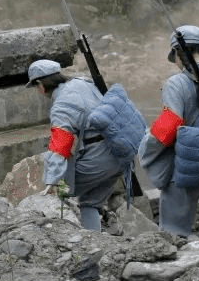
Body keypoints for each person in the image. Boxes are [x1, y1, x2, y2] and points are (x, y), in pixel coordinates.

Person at [137, 26, 199, 270]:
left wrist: (145, 151)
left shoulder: (176, 83)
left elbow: (168, 127)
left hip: (187, 169)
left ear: (181, 53)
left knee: (174, 234)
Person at [25, 59, 126, 231]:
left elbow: (60, 145)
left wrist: (52, 181)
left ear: (41, 84)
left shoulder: (62, 104)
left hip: (102, 158)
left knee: (64, 192)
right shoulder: (83, 83)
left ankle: (72, 240)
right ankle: (95, 242)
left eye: (36, 87)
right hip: (122, 152)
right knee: (89, 202)